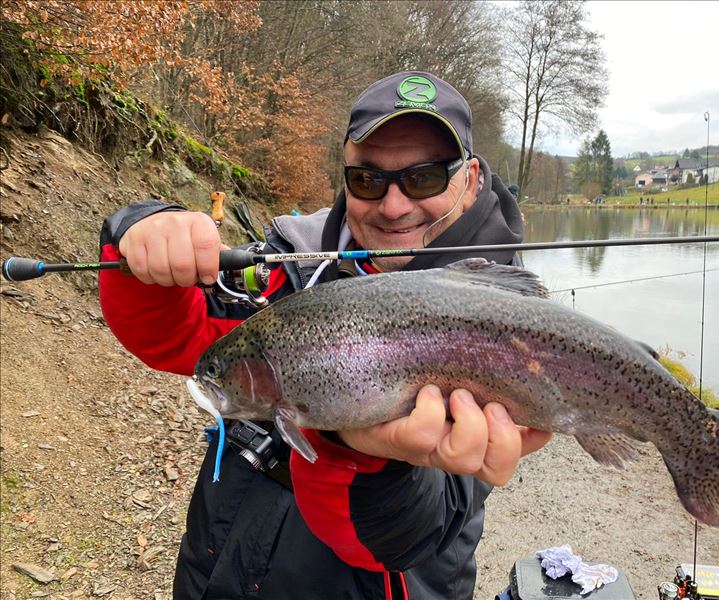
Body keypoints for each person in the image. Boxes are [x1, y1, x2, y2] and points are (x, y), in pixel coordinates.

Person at [98, 71, 552, 599]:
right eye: (369, 180)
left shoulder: (512, 325)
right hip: (223, 566)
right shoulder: (295, 262)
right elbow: (180, 336)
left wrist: (362, 452)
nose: (394, 206)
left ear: (470, 180)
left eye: (424, 178)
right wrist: (144, 232)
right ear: (346, 180)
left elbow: (411, 535)